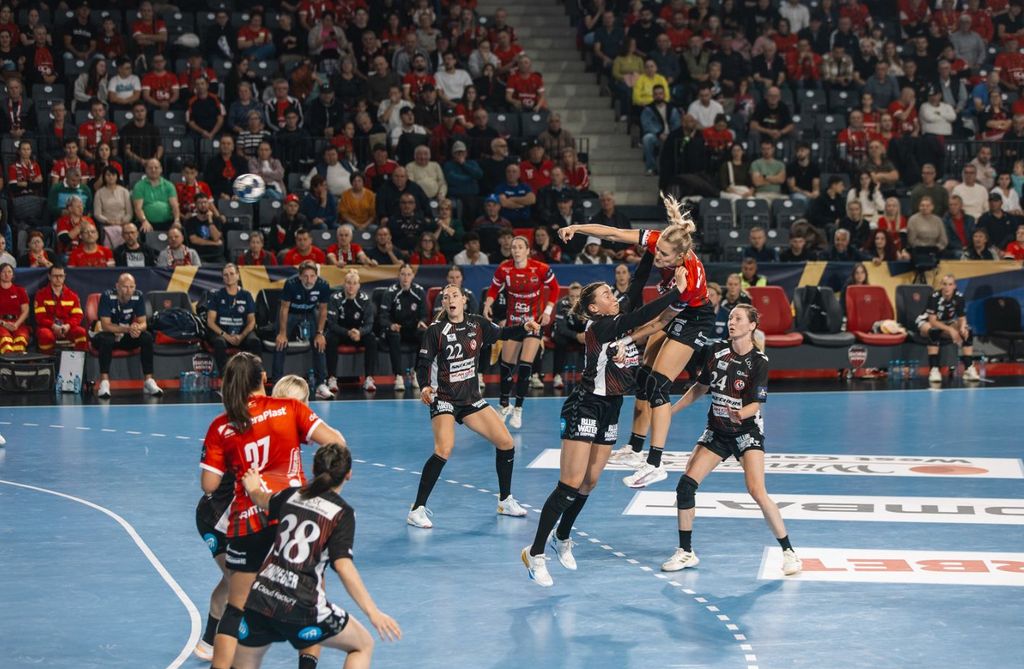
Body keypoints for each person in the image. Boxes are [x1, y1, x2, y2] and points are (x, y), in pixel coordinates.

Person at [522, 261, 685, 587]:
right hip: (585, 405)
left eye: (612, 292)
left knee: (589, 482)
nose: (614, 296)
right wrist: (676, 291)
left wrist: (650, 252)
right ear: (595, 308)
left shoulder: (617, 323)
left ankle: (562, 537)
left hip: (611, 407)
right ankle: (534, 552)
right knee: (569, 484)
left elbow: (641, 296)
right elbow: (643, 314)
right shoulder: (600, 327)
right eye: (607, 294)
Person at [199, 352, 346, 669]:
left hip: (248, 522)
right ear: (264, 379)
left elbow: (209, 485)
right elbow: (337, 443)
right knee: (312, 596)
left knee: (237, 606)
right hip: (293, 517)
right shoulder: (289, 409)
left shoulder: (221, 425)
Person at [559, 194, 712, 488]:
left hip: (694, 318)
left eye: (664, 256)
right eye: (658, 251)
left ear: (680, 257)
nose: (658, 257)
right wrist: (577, 228)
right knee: (644, 378)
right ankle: (635, 447)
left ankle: (655, 463)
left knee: (658, 384)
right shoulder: (658, 241)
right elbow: (614, 234)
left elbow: (659, 321)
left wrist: (626, 339)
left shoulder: (690, 282)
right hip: (672, 310)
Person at [659, 305, 802, 576]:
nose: (731, 322)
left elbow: (756, 404)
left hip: (746, 431)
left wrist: (740, 413)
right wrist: (671, 411)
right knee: (685, 486)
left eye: (738, 318)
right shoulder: (716, 351)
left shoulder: (759, 361)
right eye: (731, 318)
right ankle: (686, 552)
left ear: (752, 325)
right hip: (717, 431)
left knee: (757, 491)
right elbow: (700, 388)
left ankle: (789, 552)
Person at [230, 442, 400, 669]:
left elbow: (261, 498)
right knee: (362, 645)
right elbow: (343, 566)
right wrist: (373, 612)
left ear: (313, 468)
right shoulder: (342, 513)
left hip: (261, 598)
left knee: (244, 664)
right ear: (348, 475)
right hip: (302, 607)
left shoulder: (291, 495)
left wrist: (252, 487)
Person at [408, 284, 539, 528]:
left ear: (464, 300)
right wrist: (425, 387)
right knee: (444, 449)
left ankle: (505, 501)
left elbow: (503, 333)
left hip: (470, 398)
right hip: (444, 398)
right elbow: (422, 364)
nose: (450, 299)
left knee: (506, 442)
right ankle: (417, 509)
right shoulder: (435, 330)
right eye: (445, 297)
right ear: (443, 304)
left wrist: (524, 328)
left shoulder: (477, 324)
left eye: (454, 295)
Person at [484, 236, 560, 428]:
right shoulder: (504, 269)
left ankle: (518, 408)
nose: (516, 250)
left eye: (520, 247)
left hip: (533, 323)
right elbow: (493, 288)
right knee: (506, 366)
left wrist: (548, 311)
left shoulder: (540, 268)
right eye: (513, 247)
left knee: (526, 365)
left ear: (527, 250)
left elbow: (555, 288)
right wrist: (487, 304)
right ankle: (504, 405)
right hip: (514, 324)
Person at [92, 273, 162, 398]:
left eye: (132, 287)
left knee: (146, 337)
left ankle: (148, 381)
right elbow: (106, 325)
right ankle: (104, 383)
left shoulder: (138, 296)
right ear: (117, 286)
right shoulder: (107, 296)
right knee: (107, 338)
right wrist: (128, 329)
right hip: (104, 335)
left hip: (125, 336)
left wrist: (136, 328)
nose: (129, 290)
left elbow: (143, 323)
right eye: (125, 287)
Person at [273, 261, 331, 398]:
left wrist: (320, 333)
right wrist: (282, 333)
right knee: (280, 343)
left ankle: (321, 384)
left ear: (317, 276)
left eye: (312, 276)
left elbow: (323, 310)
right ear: (299, 276)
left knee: (319, 343)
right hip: (291, 313)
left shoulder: (323, 285)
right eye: (305, 276)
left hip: (310, 313)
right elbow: (284, 308)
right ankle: (277, 384)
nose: (309, 280)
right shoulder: (290, 284)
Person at [917, 274, 981, 383]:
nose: (947, 287)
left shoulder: (959, 297)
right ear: (941, 285)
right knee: (934, 331)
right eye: (945, 284)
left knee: (967, 331)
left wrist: (962, 327)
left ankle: (968, 368)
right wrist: (951, 330)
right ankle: (934, 370)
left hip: (947, 322)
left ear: (954, 286)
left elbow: (962, 318)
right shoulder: (934, 297)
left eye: (950, 284)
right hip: (926, 321)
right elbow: (933, 321)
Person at [324, 269, 378, 394]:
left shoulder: (365, 299)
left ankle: (369, 379)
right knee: (330, 338)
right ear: (344, 284)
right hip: (341, 333)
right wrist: (347, 332)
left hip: (358, 334)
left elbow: (369, 324)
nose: (351, 286)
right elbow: (332, 324)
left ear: (359, 285)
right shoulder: (334, 298)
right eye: (348, 283)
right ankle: (332, 378)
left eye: (354, 283)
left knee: (371, 339)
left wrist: (360, 332)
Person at [205, 264, 261, 377]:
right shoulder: (216, 295)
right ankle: (226, 376)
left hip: (241, 333)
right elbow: (210, 321)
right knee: (219, 343)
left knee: (254, 341)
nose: (229, 277)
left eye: (231, 274)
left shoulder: (246, 295)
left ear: (238, 276)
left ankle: (256, 375)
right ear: (222, 278)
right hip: (222, 333)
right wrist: (225, 335)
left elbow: (252, 321)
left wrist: (242, 336)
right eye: (225, 275)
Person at [381, 263, 429, 391]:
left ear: (413, 276)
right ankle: (398, 376)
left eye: (408, 274)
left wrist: (422, 322)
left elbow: (425, 315)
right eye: (403, 274)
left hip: (413, 329)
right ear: (398, 275)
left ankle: (416, 373)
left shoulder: (419, 291)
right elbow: (383, 317)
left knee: (425, 335)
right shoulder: (390, 292)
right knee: (394, 335)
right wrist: (391, 325)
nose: (406, 278)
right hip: (396, 329)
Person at [132, 159, 180, 232]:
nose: (153, 170)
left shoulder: (169, 185)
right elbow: (138, 208)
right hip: (147, 223)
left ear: (161, 169)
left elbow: (175, 206)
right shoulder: (139, 186)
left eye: (156, 167)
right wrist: (144, 221)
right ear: (146, 170)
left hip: (168, 222)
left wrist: (177, 220)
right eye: (150, 168)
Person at [0, 263, 30, 354]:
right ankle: (8, 362)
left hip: (18, 323)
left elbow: (25, 311)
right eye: (3, 272)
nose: (6, 274)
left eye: (9, 272)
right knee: (5, 340)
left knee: (20, 339)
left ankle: (18, 362)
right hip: (1, 323)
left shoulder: (20, 290)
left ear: (13, 275)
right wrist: (3, 323)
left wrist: (16, 324)